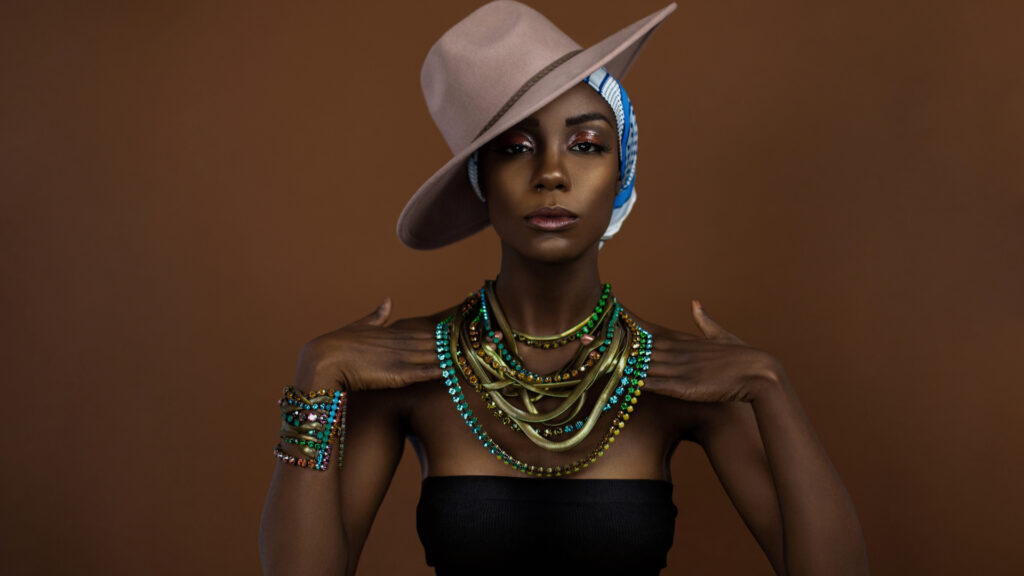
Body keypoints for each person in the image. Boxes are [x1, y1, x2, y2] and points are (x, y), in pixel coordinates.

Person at [259, 2, 869, 575]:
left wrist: (770, 386)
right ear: (481, 181)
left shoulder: (685, 374)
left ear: (621, 172)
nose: (551, 173)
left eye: (586, 145)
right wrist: (317, 378)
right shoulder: (407, 368)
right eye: (516, 148)